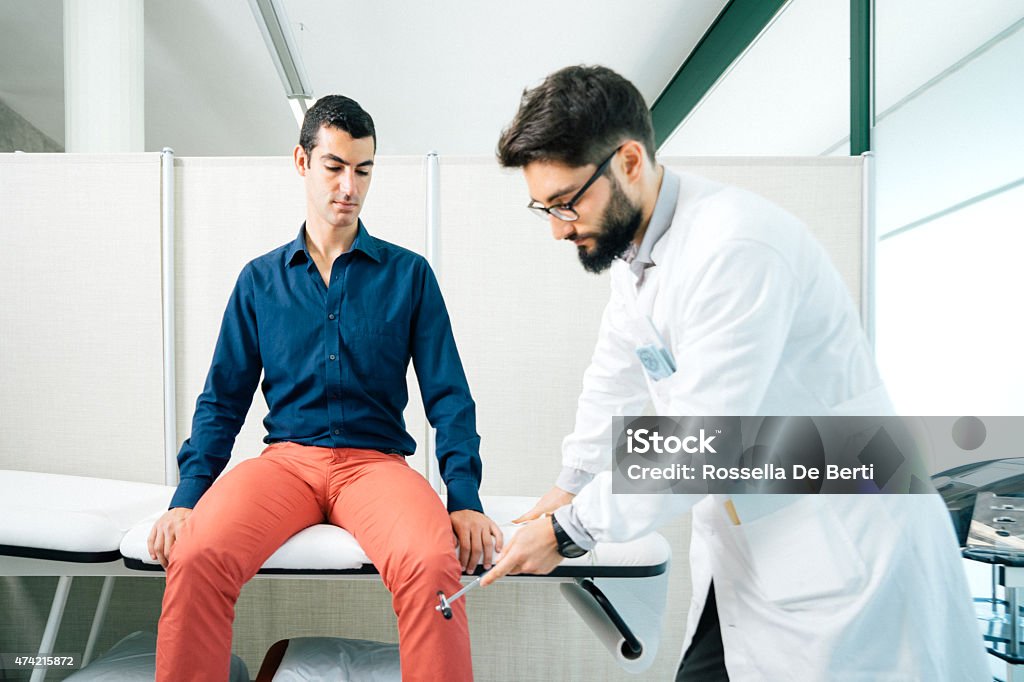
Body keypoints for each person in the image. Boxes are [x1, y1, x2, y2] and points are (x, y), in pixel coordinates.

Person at [480, 65, 988, 681]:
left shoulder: (736, 247)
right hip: (757, 554)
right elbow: (614, 377)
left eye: (566, 203)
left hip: (846, 546)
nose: (560, 228)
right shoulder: (637, 256)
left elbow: (703, 436)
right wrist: (567, 485)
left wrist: (569, 530)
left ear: (631, 162)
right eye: (546, 208)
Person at [147, 95, 501, 682]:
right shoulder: (259, 280)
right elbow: (222, 400)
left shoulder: (409, 275)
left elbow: (450, 397)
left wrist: (464, 496)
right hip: (286, 465)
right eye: (334, 166)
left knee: (432, 560)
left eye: (363, 170)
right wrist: (187, 497)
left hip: (375, 467)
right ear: (302, 161)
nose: (349, 186)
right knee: (196, 553)